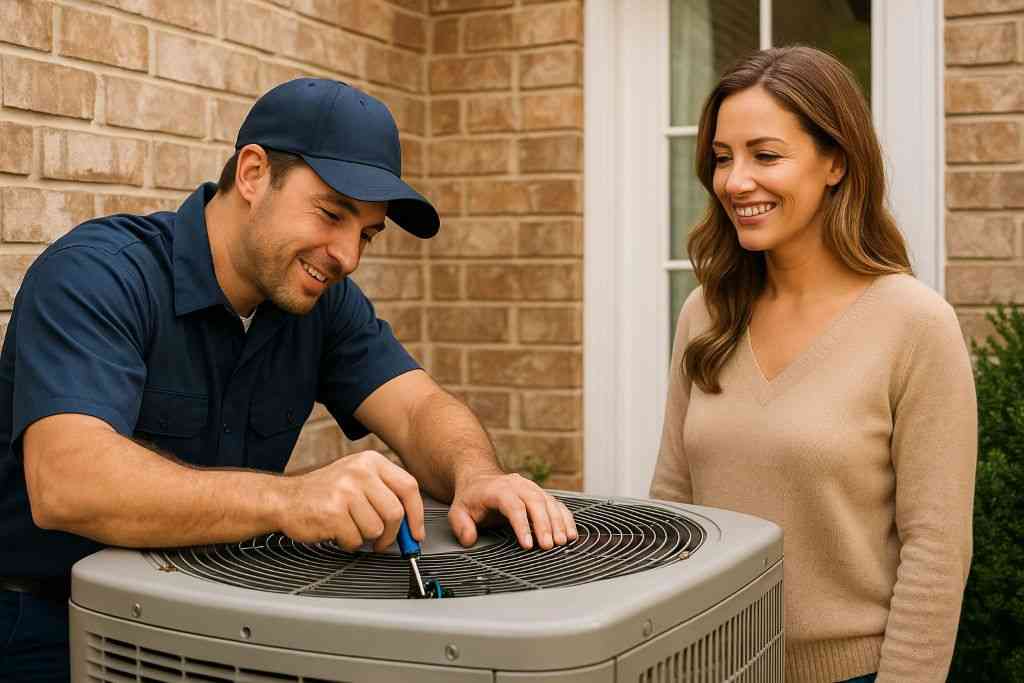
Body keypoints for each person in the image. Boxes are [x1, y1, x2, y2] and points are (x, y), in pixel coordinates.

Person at [0, 78, 577, 680]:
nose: (347, 256)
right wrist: (289, 498)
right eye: (332, 214)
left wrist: (474, 474)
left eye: (366, 234)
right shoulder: (100, 275)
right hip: (49, 626)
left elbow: (416, 407)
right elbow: (67, 480)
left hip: (218, 621)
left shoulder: (322, 302)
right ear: (252, 173)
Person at [650, 47, 976, 683]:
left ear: (835, 161)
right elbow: (672, 505)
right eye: (722, 157)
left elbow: (936, 551)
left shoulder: (914, 324)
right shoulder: (706, 314)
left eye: (765, 155)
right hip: (706, 669)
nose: (735, 180)